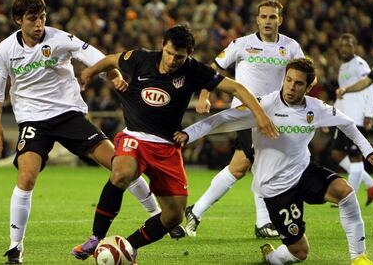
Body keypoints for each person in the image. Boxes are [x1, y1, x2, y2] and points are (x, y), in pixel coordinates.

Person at [71, 25, 278, 262]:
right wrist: (88, 73)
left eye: (179, 56)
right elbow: (110, 60)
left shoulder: (194, 71)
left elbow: (237, 88)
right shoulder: (141, 58)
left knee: (174, 216)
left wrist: (260, 115)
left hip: (167, 146)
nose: (172, 60)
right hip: (135, 137)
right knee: (121, 174)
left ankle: (129, 246)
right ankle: (96, 237)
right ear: (163, 46)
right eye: (169, 53)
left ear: (189, 52)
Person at [0, 0, 160, 264]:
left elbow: (92, 56)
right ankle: (15, 246)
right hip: (33, 120)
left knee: (119, 163)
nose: (39, 24)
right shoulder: (4, 51)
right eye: (32, 19)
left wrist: (112, 73)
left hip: (68, 114)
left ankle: (157, 216)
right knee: (27, 175)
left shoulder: (60, 39)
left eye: (42, 17)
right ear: (18, 19)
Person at [174, 58, 373, 265]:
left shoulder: (316, 108)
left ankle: (359, 257)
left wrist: (368, 150)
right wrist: (189, 133)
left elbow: (348, 124)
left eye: (298, 83)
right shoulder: (263, 106)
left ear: (309, 87)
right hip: (276, 188)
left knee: (345, 192)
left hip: (303, 171)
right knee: (299, 253)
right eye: (288, 80)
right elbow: (222, 119)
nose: (291, 87)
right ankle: (271, 256)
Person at [184, 0, 304, 238]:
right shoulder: (241, 44)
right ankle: (263, 223)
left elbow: (306, 74)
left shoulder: (291, 47)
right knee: (262, 160)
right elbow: (214, 69)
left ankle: (195, 211)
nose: (268, 21)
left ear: (280, 20)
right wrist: (204, 96)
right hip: (245, 112)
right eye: (264, 17)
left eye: (273, 17)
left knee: (239, 167)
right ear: (257, 19)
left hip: (274, 113)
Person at [331, 33, 373, 206]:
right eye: (342, 45)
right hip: (343, 117)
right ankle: (371, 184)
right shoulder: (344, 66)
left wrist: (368, 114)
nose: (345, 49)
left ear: (355, 47)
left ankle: (346, 198)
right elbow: (342, 93)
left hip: (356, 118)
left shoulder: (359, 64)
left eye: (348, 45)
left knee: (355, 157)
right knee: (337, 154)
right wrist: (331, 116)